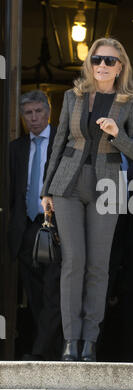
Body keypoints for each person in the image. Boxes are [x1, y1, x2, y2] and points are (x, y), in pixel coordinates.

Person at [40, 37, 133, 362]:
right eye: (97, 59)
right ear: (90, 64)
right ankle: (71, 341)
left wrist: (118, 134)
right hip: (68, 185)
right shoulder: (73, 97)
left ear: (120, 67)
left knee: (98, 266)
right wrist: (47, 189)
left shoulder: (130, 102)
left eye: (110, 61)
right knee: (73, 262)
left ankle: (90, 341)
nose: (102, 65)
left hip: (108, 187)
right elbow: (58, 143)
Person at [8, 90, 62, 360]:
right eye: (28, 113)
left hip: (55, 227)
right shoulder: (16, 148)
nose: (33, 118)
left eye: (38, 112)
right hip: (26, 230)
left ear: (48, 112)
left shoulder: (61, 143)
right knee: (35, 296)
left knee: (53, 292)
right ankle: (50, 350)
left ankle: (42, 354)